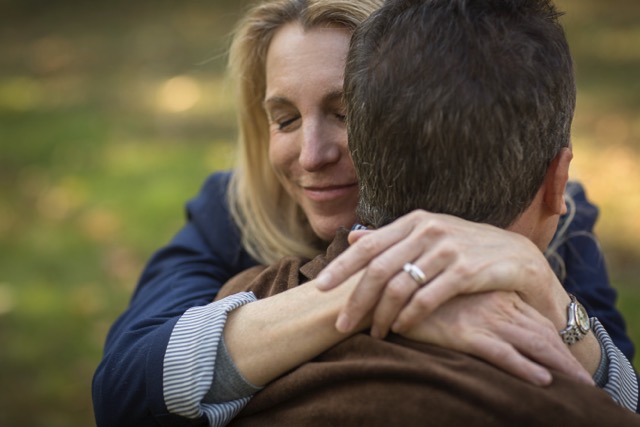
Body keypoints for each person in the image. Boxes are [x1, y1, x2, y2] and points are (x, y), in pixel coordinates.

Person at [91, 0, 636, 425]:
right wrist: (379, 289)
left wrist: (543, 287)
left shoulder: (550, 207)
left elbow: (624, 400)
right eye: (283, 119)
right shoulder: (232, 209)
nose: (311, 155)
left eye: (344, 112)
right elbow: (122, 392)